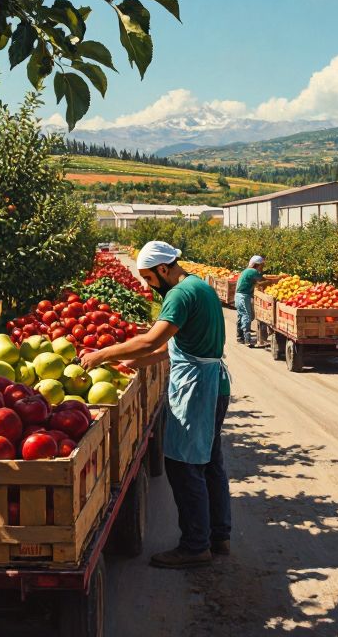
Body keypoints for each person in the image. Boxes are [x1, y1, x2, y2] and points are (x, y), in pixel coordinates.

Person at [82, 241, 231, 568]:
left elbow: (152, 339)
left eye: (149, 277)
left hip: (197, 390)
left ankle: (195, 546)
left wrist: (101, 354)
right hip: (213, 384)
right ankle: (219, 536)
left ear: (164, 269)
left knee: (184, 465)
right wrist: (136, 363)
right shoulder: (199, 287)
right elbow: (170, 349)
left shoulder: (179, 294)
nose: (149, 284)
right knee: (210, 461)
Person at [235, 255, 265, 346]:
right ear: (257, 265)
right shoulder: (252, 271)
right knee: (246, 316)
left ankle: (239, 337)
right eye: (261, 265)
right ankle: (247, 339)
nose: (262, 267)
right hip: (243, 296)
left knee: (244, 315)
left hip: (240, 296)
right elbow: (263, 280)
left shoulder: (247, 271)